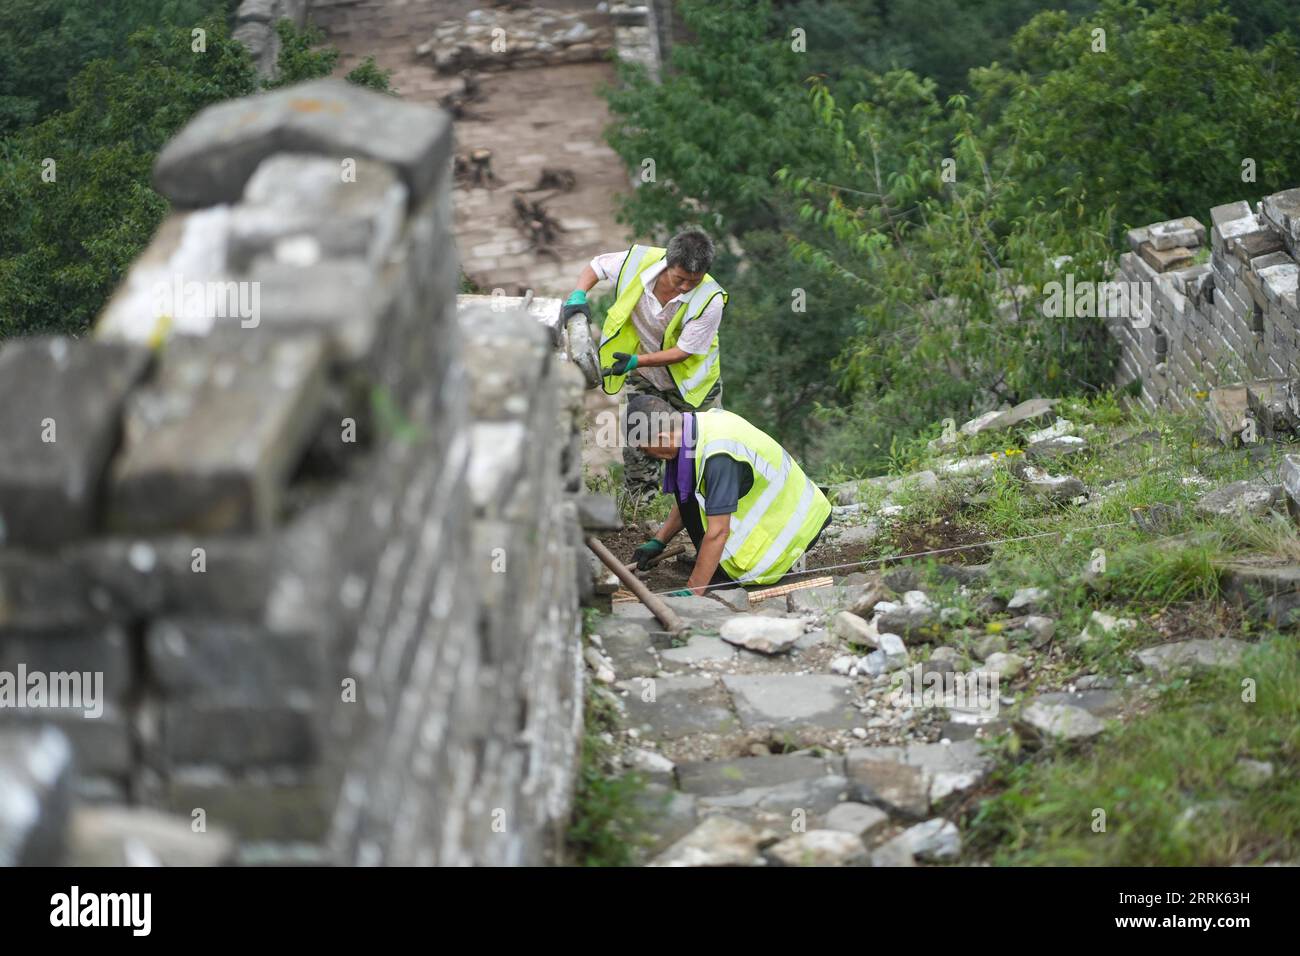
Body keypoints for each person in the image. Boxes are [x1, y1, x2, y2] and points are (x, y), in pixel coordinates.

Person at [561, 228, 726, 499]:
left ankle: (705, 507)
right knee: (640, 440)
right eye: (680, 279)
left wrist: (636, 360)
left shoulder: (711, 299)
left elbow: (684, 351)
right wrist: (578, 294)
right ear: (668, 264)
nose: (685, 287)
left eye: (693, 282)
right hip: (644, 376)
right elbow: (596, 266)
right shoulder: (637, 262)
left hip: (693, 385)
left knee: (703, 447)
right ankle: (642, 507)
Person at [623, 394, 833, 594]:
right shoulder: (692, 429)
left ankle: (731, 573)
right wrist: (659, 542)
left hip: (790, 533)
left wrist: (692, 590)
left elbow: (718, 533)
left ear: (661, 437)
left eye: (644, 448)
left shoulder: (718, 456)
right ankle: (712, 569)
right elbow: (689, 497)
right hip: (782, 516)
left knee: (716, 562)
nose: (645, 454)